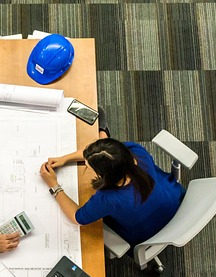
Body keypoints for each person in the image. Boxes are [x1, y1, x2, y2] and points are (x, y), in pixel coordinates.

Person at [39, 108, 185, 267]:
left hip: (147, 233)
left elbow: (77, 217)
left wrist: (54, 185)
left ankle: (103, 132)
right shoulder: (136, 152)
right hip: (175, 200)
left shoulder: (108, 199)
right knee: (103, 138)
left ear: (104, 175)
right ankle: (103, 132)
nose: (86, 166)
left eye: (89, 166)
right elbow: (108, 154)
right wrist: (64, 159)